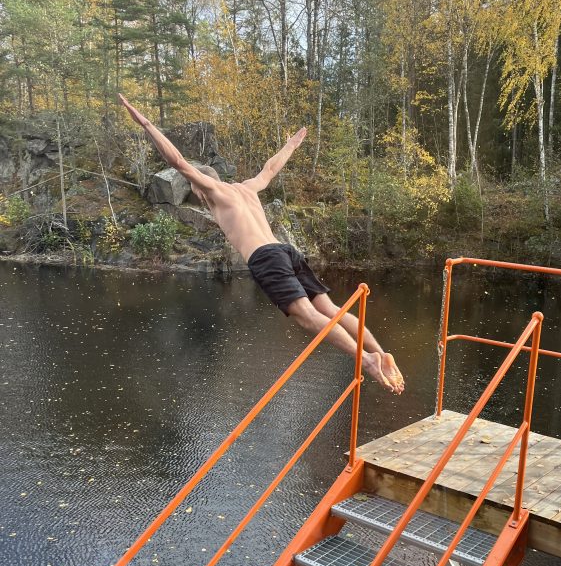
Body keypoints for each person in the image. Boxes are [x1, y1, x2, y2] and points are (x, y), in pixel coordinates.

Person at [118, 94, 404, 393]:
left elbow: (176, 161)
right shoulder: (246, 189)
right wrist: (290, 146)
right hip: (285, 250)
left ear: (201, 182)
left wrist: (145, 122)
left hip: (266, 258)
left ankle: (368, 361)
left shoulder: (214, 189)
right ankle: (381, 353)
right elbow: (270, 170)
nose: (195, 194)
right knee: (331, 308)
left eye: (193, 187)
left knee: (307, 317)